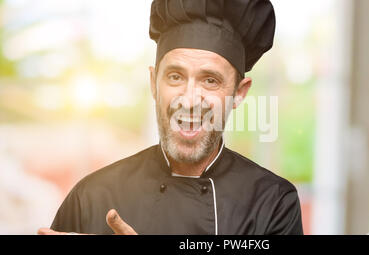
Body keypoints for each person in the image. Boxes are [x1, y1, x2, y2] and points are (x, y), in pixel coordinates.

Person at [38, 0, 303, 235]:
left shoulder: (272, 204)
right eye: (175, 77)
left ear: (239, 94)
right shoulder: (92, 197)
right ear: (154, 83)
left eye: (210, 80)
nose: (188, 100)